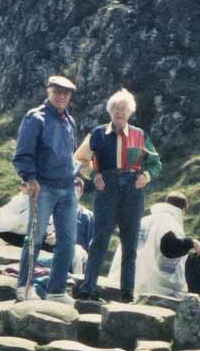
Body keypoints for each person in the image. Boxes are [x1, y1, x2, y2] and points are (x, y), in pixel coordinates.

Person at [73, 88, 162, 302]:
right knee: (100, 240)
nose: (120, 112)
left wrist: (146, 177)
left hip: (134, 189)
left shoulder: (140, 135)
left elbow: (156, 163)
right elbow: (79, 159)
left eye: (124, 109)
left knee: (130, 244)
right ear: (110, 112)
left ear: (130, 112)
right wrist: (94, 175)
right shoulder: (97, 133)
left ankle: (127, 294)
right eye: (115, 108)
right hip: (107, 188)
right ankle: (88, 288)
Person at [13, 75, 78, 303]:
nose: (61, 96)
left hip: (68, 189)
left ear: (70, 97)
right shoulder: (35, 118)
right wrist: (30, 179)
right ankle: (24, 286)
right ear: (49, 92)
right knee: (35, 238)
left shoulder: (70, 122)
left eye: (65, 93)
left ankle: (56, 291)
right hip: (43, 188)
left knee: (68, 241)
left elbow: (71, 155)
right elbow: (22, 154)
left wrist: (76, 179)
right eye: (57, 92)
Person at [135, 191, 200, 298]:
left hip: (133, 279)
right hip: (154, 287)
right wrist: (192, 243)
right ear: (182, 210)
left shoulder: (144, 221)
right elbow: (170, 248)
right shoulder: (170, 223)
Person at [0, 181, 55, 250]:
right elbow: (1, 218)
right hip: (12, 235)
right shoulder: (18, 199)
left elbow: (50, 221)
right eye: (24, 185)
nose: (28, 187)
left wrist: (53, 234)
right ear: (21, 187)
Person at [72, 176, 94, 274]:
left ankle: (77, 284)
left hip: (77, 255)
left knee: (76, 250)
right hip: (53, 251)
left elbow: (92, 248)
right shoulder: (52, 211)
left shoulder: (88, 216)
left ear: (80, 192)